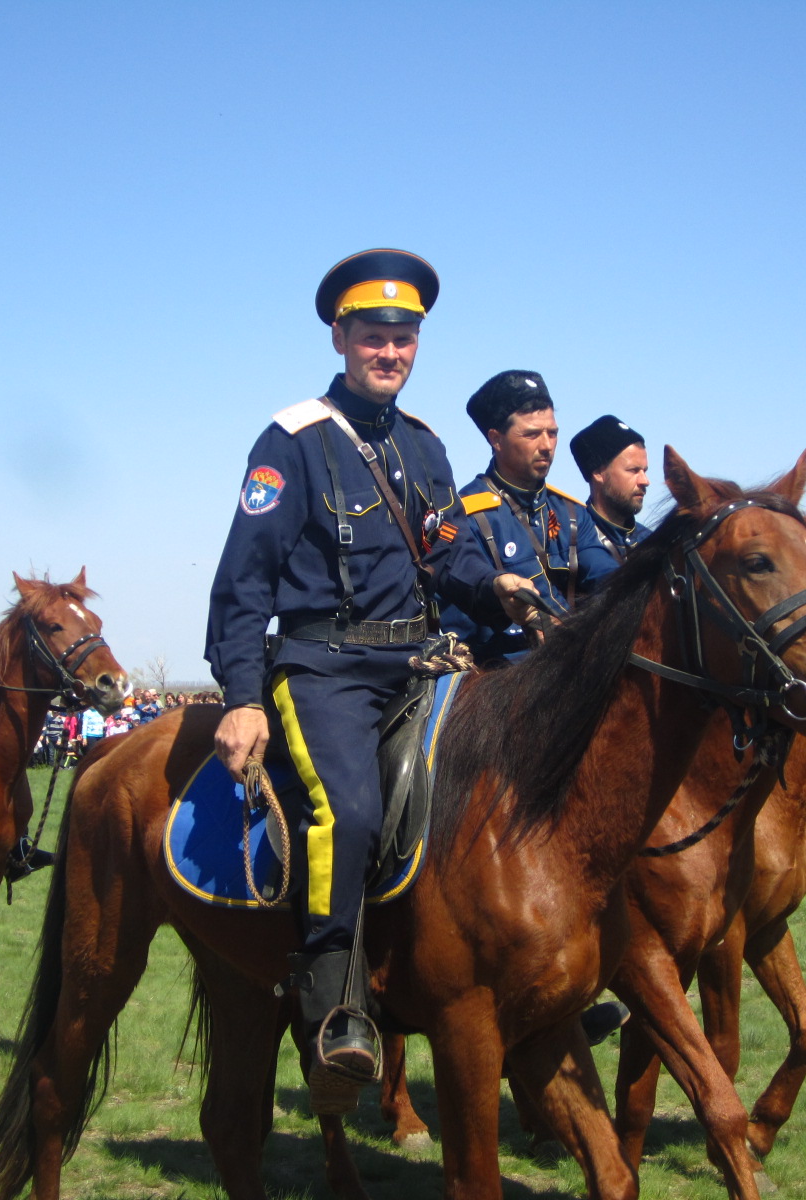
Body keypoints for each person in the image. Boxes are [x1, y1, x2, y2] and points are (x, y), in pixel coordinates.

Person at [204, 249, 524, 1114]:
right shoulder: (293, 440)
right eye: (375, 336)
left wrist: (491, 584)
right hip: (326, 669)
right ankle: (333, 1003)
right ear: (341, 337)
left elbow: (448, 550)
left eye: (404, 338)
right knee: (346, 814)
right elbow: (243, 583)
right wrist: (240, 696)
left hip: (421, 662)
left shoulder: (423, 444)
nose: (390, 351)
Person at [439, 370, 619, 664]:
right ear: (496, 439)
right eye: (532, 434)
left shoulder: (571, 514)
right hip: (501, 678)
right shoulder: (466, 516)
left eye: (553, 433)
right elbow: (465, 633)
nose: (547, 445)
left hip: (572, 665)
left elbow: (609, 582)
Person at [569, 415, 653, 562]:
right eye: (633, 470)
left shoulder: (651, 543)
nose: (645, 481)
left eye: (644, 471)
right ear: (599, 473)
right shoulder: (573, 540)